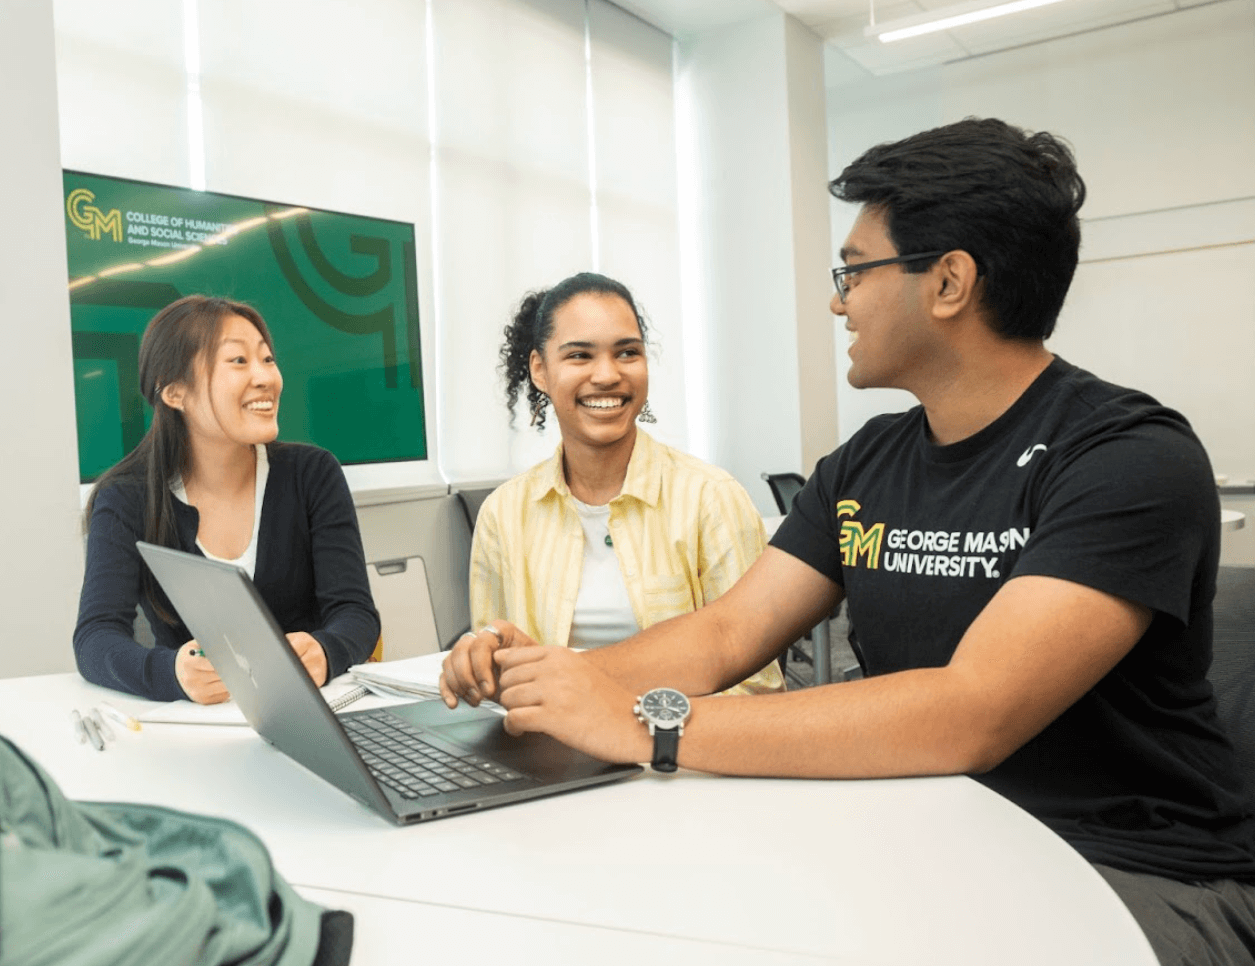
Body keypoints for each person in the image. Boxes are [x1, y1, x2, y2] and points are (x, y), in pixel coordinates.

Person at [442, 120, 1255, 964]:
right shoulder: (869, 461)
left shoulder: (1126, 457)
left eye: (854, 271)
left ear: (948, 282)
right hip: (928, 834)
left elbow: (970, 712)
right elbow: (727, 632)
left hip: (1132, 872)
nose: (838, 300)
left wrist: (654, 729)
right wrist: (544, 681)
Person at [468, 272, 782, 695]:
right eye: (580, 355)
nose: (607, 375)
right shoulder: (503, 513)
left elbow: (756, 688)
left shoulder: (710, 498)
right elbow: (498, 669)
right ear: (540, 370)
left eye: (627, 353)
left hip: (680, 753)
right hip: (549, 750)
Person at [75, 295, 380, 703]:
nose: (265, 378)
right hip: (198, 731)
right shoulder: (127, 497)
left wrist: (325, 650)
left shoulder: (312, 474)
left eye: (268, 360)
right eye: (238, 361)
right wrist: (172, 673)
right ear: (175, 392)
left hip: (315, 715)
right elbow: (95, 639)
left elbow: (356, 614)